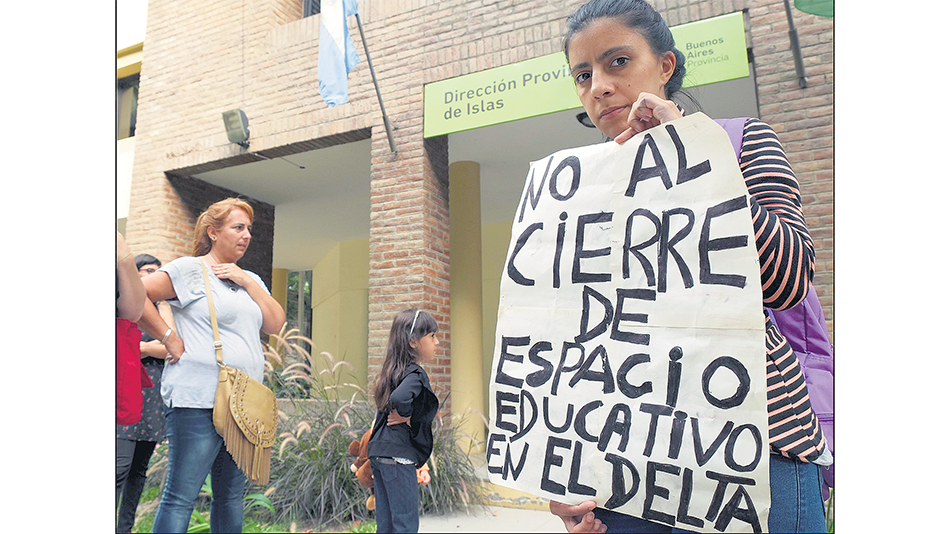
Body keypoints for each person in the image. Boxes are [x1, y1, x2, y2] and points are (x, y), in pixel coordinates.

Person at [548, 1, 830, 532]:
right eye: (582, 75)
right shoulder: (576, 194)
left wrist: (690, 160)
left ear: (666, 66)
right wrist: (562, 470)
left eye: (617, 62)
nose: (599, 86)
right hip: (626, 466)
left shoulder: (741, 142)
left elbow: (789, 278)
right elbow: (574, 342)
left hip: (753, 448)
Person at [137, 198, 286, 533]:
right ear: (213, 232)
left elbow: (275, 323)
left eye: (249, 229)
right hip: (197, 400)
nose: (246, 235)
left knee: (230, 496)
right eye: (238, 227)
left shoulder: (251, 280)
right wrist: (166, 335)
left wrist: (246, 281)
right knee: (181, 496)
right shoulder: (189, 269)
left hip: (243, 404)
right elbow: (135, 293)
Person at [367, 309, 440, 533]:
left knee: (386, 526)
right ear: (413, 341)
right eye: (432, 336)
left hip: (379, 454)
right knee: (406, 526)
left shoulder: (391, 371)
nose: (437, 342)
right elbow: (400, 399)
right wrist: (408, 415)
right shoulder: (415, 374)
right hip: (399, 457)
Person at [116, 254, 174, 533]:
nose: (153, 276)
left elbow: (173, 346)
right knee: (118, 468)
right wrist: (155, 347)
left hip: (152, 397)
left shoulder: (160, 311)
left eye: (157, 273)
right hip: (126, 392)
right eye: (148, 271)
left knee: (138, 471)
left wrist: (141, 349)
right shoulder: (125, 305)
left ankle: (124, 528)